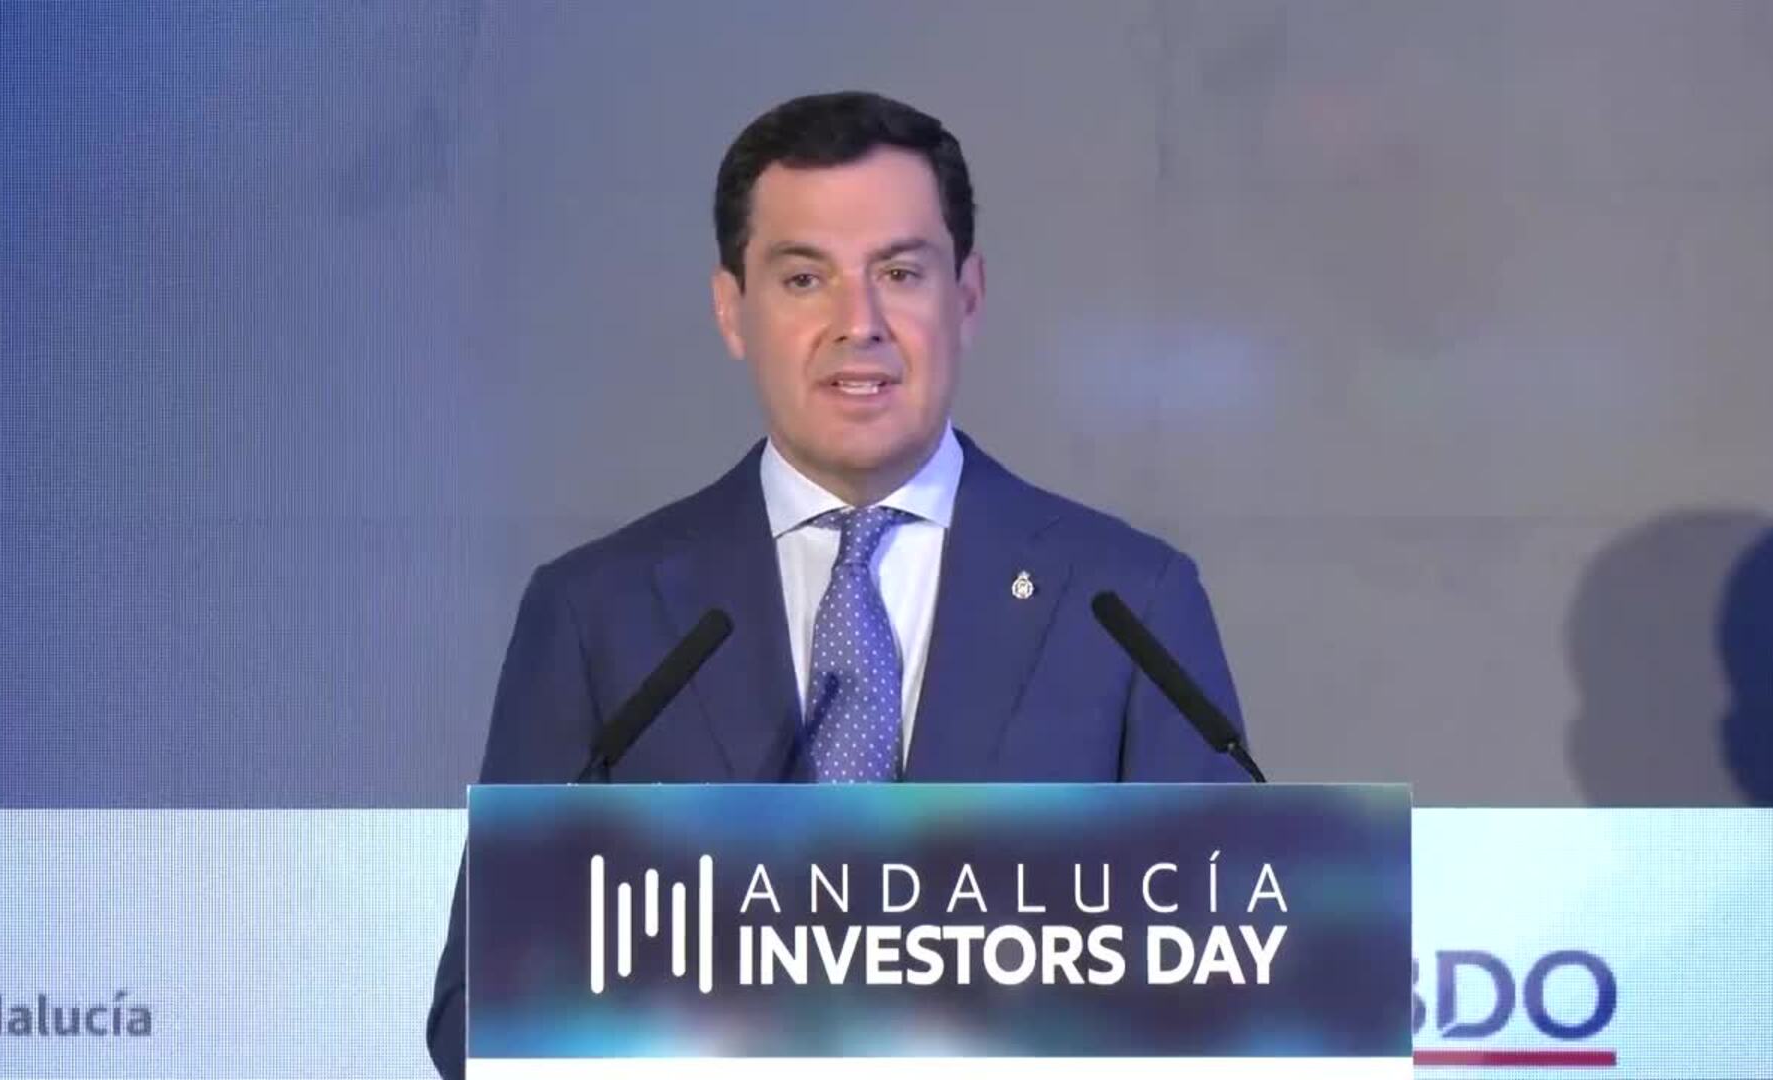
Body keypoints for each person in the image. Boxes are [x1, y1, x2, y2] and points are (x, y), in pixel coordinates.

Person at [425, 90, 1249, 1080]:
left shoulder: (1127, 605)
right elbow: (479, 1013)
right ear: (732, 308)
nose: (858, 324)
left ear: (967, 297)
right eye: (804, 278)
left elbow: (1234, 989)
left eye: (900, 273)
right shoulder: (597, 615)